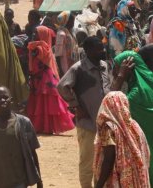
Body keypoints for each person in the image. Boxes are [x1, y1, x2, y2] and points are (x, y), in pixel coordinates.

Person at [57, 36, 111, 188]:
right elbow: (62, 86)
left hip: (105, 123)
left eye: (102, 47)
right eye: (98, 48)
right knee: (87, 161)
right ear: (87, 51)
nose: (102, 50)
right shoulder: (78, 68)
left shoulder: (104, 65)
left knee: (102, 161)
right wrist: (76, 105)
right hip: (87, 123)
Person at [0, 86, 43, 188]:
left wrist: (39, 181)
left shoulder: (24, 123)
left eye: (5, 97)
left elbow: (32, 154)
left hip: (19, 182)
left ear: (11, 100)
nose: (2, 100)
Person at [93, 91, 150, 188]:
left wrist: (99, 185)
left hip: (118, 180)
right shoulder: (134, 126)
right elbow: (146, 153)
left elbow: (108, 160)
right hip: (136, 179)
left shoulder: (109, 128)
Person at [111, 50, 153, 180]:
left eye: (116, 66)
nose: (113, 71)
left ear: (129, 67)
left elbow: (110, 103)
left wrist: (120, 76)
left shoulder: (136, 93)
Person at [26, 26, 75, 134]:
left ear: (42, 35)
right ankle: (46, 127)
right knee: (46, 104)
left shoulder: (39, 47)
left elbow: (35, 65)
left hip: (42, 80)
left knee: (42, 103)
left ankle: (43, 126)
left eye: (36, 33)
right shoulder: (46, 48)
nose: (34, 35)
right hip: (46, 79)